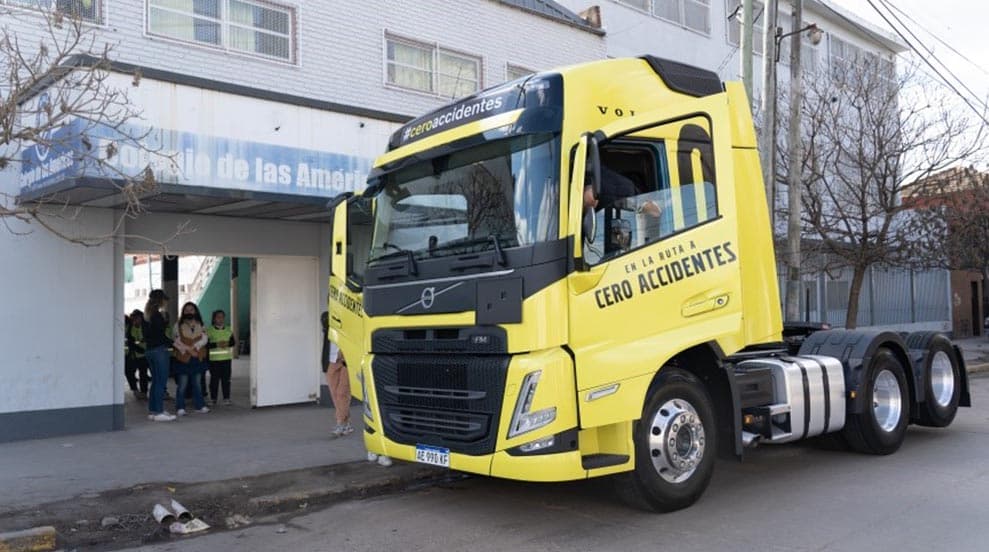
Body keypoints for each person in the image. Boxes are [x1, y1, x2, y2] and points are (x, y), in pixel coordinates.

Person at [172, 302, 209, 416]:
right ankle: (180, 407)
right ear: (183, 312)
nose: (189, 312)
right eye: (186, 310)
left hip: (197, 357)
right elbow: (176, 342)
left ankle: (200, 405)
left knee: (197, 383)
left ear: (195, 311)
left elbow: (205, 339)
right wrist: (189, 350)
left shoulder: (201, 324)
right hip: (183, 358)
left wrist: (195, 347)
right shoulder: (177, 325)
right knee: (182, 384)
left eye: (191, 309)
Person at [144, 290, 176, 422]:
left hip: (150, 351)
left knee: (156, 381)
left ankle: (153, 411)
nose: (166, 302)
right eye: (165, 299)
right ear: (160, 300)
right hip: (159, 351)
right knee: (161, 382)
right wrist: (175, 343)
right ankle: (158, 412)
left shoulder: (147, 315)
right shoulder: (157, 315)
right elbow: (160, 336)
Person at [321, 311, 352, 437]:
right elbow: (324, 322)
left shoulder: (351, 318)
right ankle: (346, 422)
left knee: (342, 393)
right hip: (331, 360)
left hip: (347, 360)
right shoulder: (327, 317)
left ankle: (340, 423)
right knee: (335, 394)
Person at [206, 309, 236, 406]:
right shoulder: (209, 330)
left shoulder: (228, 329)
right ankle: (213, 398)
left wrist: (227, 343)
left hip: (226, 359)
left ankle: (226, 398)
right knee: (214, 380)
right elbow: (206, 345)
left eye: (222, 317)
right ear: (214, 319)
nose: (221, 319)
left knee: (226, 380)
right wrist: (217, 344)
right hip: (214, 360)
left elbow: (233, 342)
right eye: (218, 317)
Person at [125, 309, 150, 399]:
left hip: (144, 355)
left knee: (143, 374)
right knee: (129, 372)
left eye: (138, 318)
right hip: (133, 354)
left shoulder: (146, 327)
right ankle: (135, 390)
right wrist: (138, 348)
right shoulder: (129, 328)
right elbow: (130, 341)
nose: (136, 320)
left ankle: (144, 392)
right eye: (134, 318)